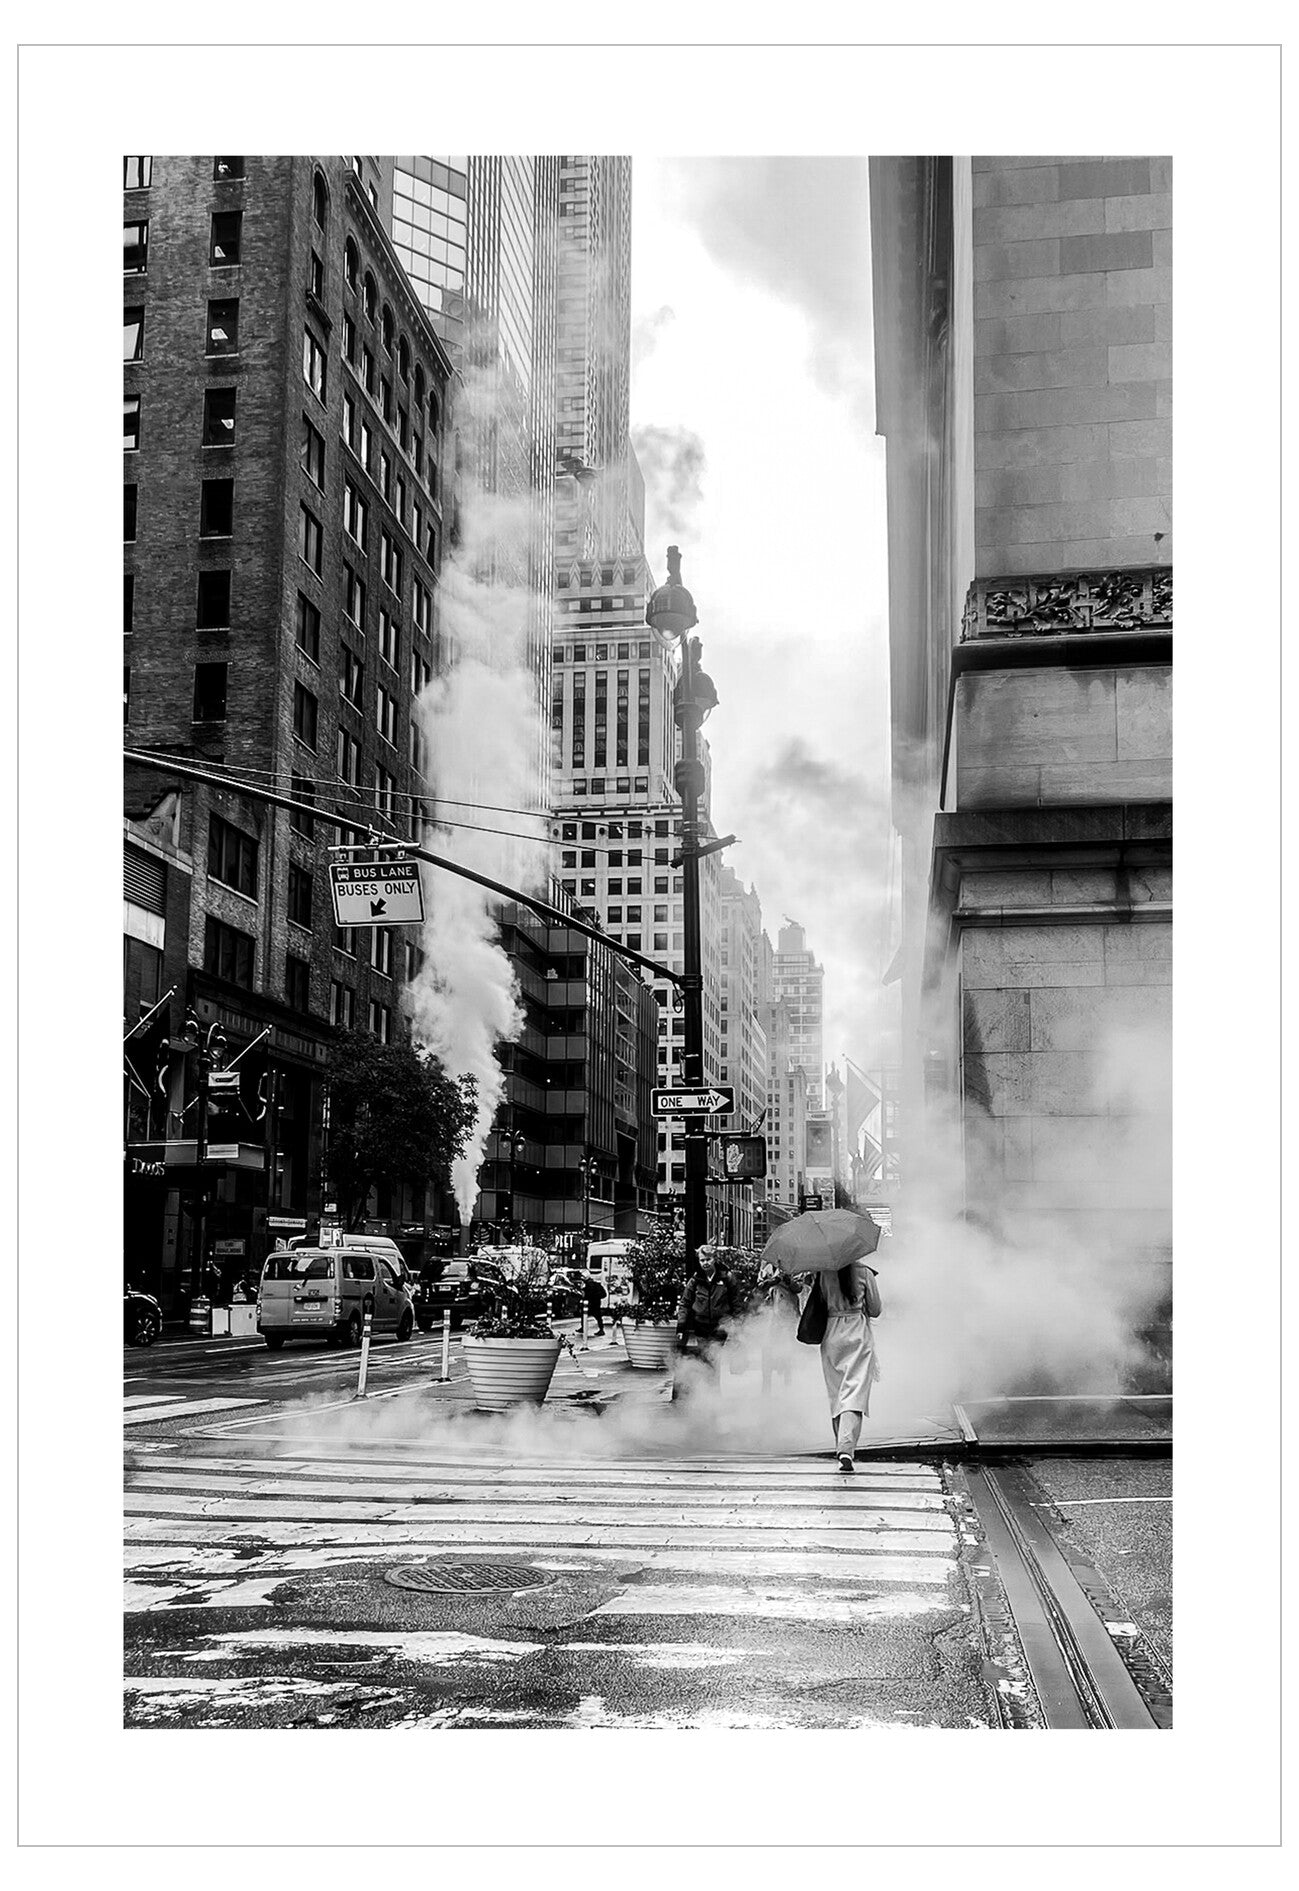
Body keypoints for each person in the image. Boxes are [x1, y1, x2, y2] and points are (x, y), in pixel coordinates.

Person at [818, 1259, 882, 1471]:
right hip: (857, 1333)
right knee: (854, 1393)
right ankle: (846, 1448)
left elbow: (819, 1302)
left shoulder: (824, 1272)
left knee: (837, 1393)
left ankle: (841, 1444)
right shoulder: (865, 1272)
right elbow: (875, 1309)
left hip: (832, 1334)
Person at [675, 1245, 738, 1366]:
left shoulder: (727, 1278)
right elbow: (685, 1303)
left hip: (720, 1326)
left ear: (715, 1259)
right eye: (702, 1260)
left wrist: (737, 1325)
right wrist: (681, 1326)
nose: (705, 1263)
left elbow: (735, 1302)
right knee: (704, 1359)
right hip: (701, 1326)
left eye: (708, 1259)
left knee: (715, 1359)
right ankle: (705, 1384)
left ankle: (714, 1384)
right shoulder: (695, 1280)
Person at [754, 1260, 801, 1395]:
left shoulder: (794, 1264)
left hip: (787, 1313)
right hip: (769, 1313)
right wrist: (772, 1281)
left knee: (787, 1349)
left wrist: (787, 1279)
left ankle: (788, 1384)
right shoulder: (766, 1265)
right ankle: (766, 1386)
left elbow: (798, 1287)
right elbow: (759, 1286)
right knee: (767, 1349)